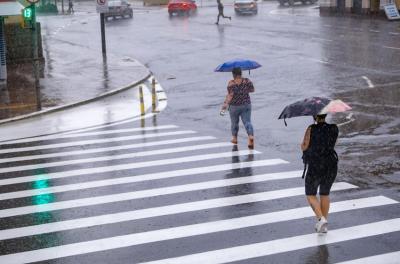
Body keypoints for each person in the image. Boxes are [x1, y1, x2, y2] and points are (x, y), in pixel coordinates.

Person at [301, 114, 339, 233]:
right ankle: (323, 224)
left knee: (311, 194)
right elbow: (332, 144)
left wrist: (303, 146)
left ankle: (320, 219)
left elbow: (304, 146)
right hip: (331, 165)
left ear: (314, 116)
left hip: (316, 165)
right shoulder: (334, 128)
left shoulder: (311, 128)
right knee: (324, 194)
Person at [221, 67, 255, 149]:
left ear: (233, 74)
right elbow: (252, 90)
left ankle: (235, 139)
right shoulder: (247, 81)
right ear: (241, 73)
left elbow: (230, 96)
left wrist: (224, 105)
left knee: (234, 123)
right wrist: (244, 90)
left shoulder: (231, 83)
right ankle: (250, 136)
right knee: (247, 122)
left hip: (234, 106)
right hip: (246, 105)